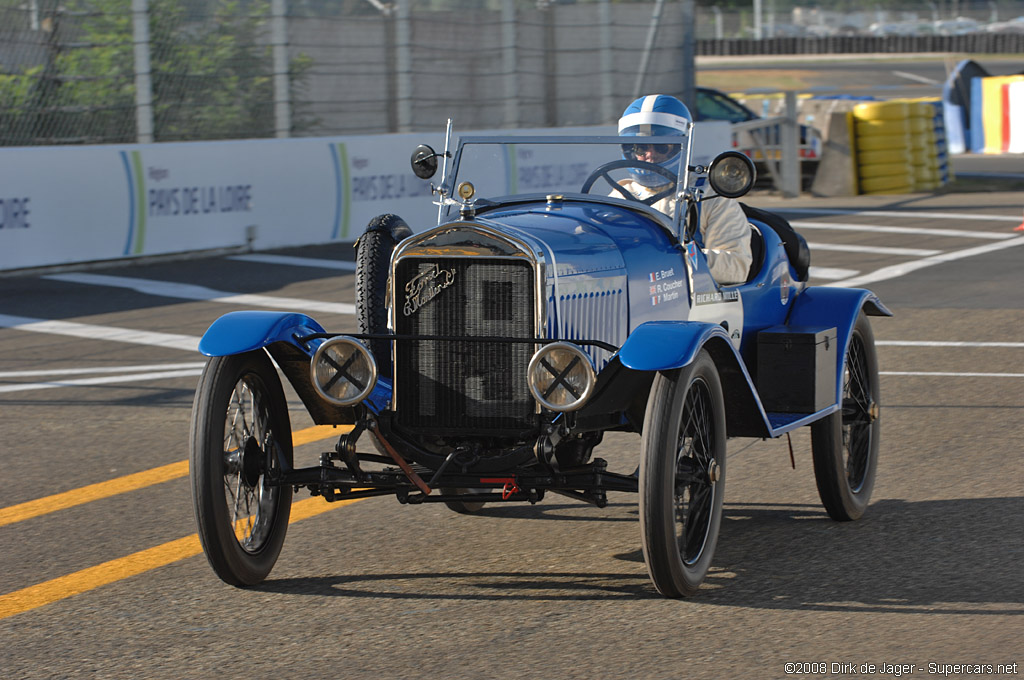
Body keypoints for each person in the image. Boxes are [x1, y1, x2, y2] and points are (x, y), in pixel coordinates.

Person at [615, 94, 753, 285]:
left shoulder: (711, 196)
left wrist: (673, 257)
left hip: (691, 302)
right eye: (640, 148)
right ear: (629, 150)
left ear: (680, 147)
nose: (649, 155)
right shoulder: (620, 196)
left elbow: (737, 267)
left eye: (662, 147)